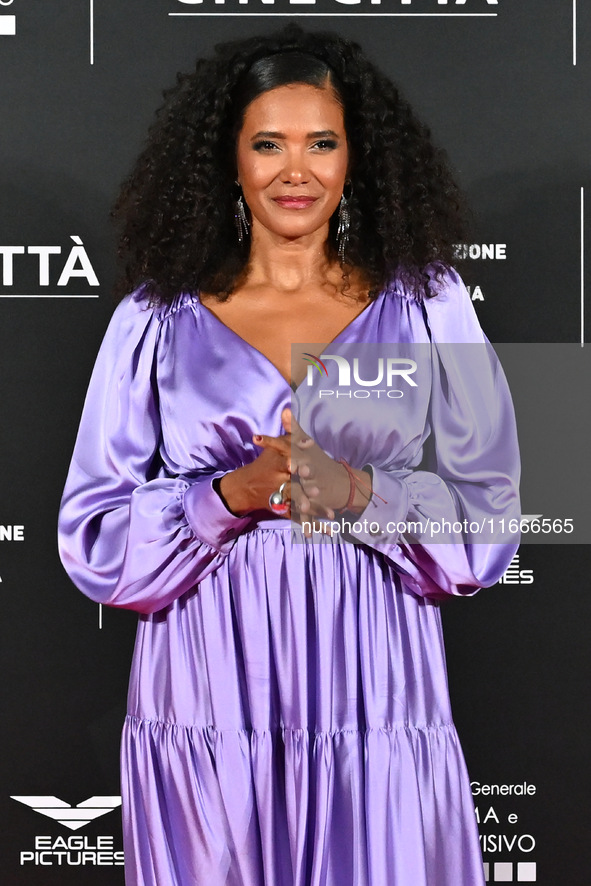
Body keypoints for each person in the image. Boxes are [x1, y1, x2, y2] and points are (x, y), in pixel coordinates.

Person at [58, 25, 520, 886]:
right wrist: (228, 495)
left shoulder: (429, 300)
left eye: (321, 143)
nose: (294, 170)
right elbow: (91, 535)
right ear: (228, 161)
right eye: (267, 143)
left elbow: (491, 515)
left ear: (356, 160)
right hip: (203, 684)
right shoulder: (152, 318)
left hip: (372, 683)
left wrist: (357, 491)